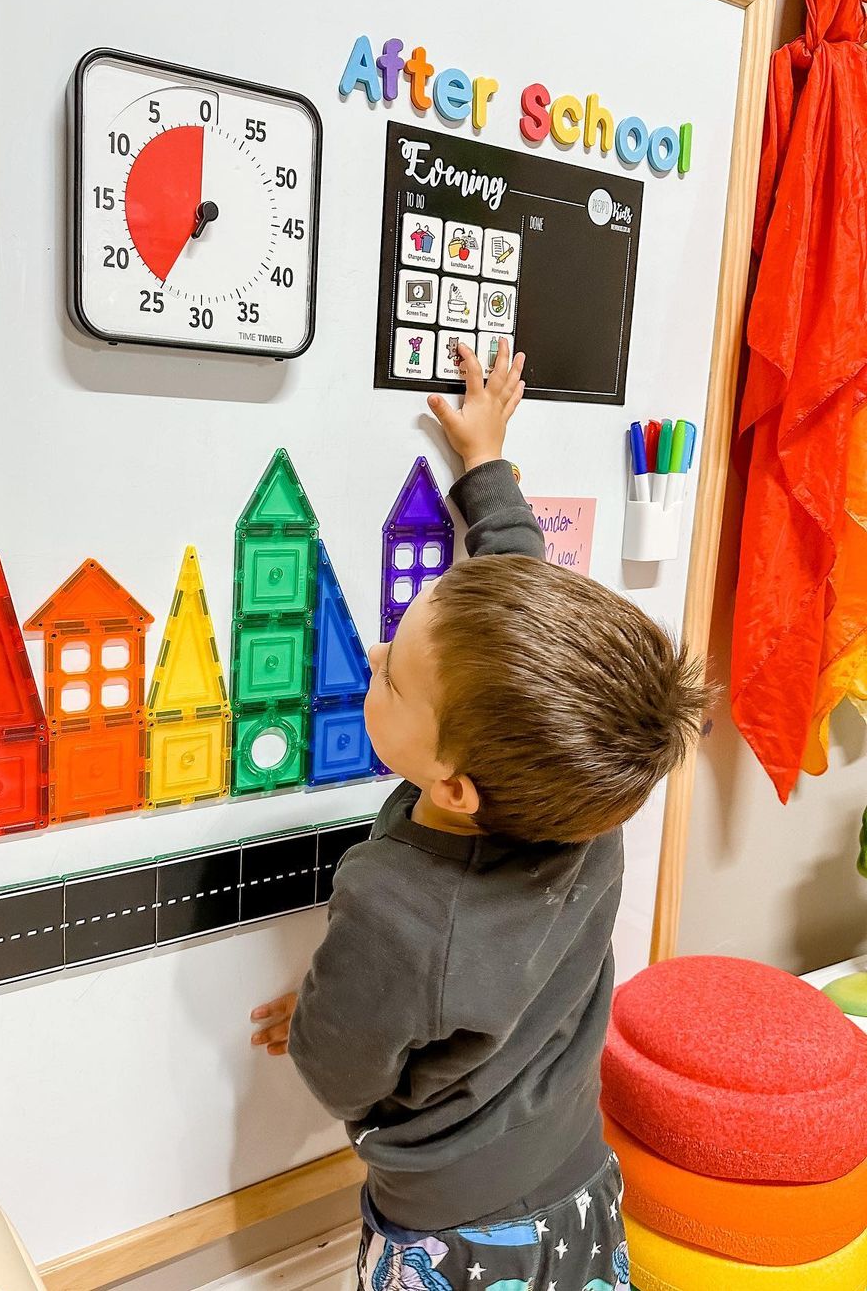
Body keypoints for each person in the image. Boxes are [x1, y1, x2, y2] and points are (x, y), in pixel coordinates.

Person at [251, 341, 708, 1291]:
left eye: (391, 679)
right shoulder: (583, 792)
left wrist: (334, 1010)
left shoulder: (398, 907)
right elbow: (517, 612)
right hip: (575, 1174)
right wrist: (487, 466)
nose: (378, 653)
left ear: (455, 786)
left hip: (455, 1240)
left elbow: (337, 1070)